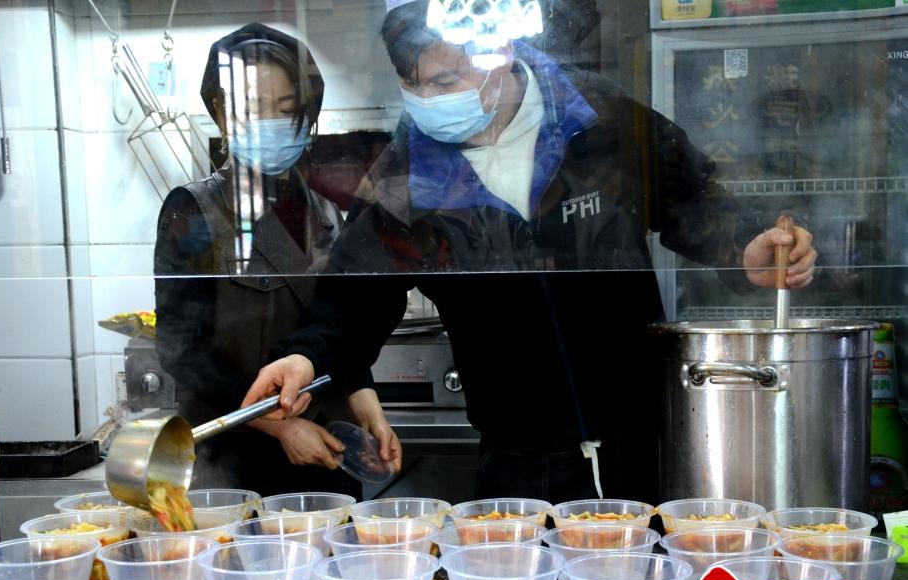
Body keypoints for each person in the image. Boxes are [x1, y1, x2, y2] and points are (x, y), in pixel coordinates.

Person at [240, 2, 817, 505]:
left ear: (502, 53)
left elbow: (691, 198)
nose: (428, 101)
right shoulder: (409, 174)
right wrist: (306, 358)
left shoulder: (598, 119)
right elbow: (353, 299)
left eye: (445, 81)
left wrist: (744, 245)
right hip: (515, 457)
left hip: (640, 440)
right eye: (412, 86)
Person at [154, 23, 401, 498]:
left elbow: (336, 325)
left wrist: (366, 402)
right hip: (235, 460)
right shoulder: (194, 209)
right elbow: (183, 350)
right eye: (252, 109)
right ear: (221, 112)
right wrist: (279, 426)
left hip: (328, 448)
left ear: (307, 118)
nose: (270, 123)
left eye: (286, 110)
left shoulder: (327, 213)